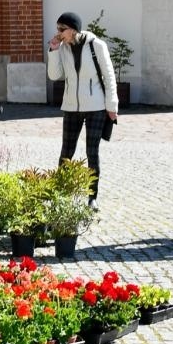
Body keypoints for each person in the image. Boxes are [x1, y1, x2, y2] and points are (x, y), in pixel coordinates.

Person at [47, 11, 117, 209]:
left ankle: (92, 197)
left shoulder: (97, 46)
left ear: (74, 30)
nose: (59, 33)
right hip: (70, 106)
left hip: (96, 106)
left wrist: (112, 106)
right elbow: (55, 75)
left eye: (63, 29)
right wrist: (53, 50)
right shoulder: (62, 48)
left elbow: (109, 76)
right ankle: (60, 194)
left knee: (91, 151)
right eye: (57, 29)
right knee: (66, 151)